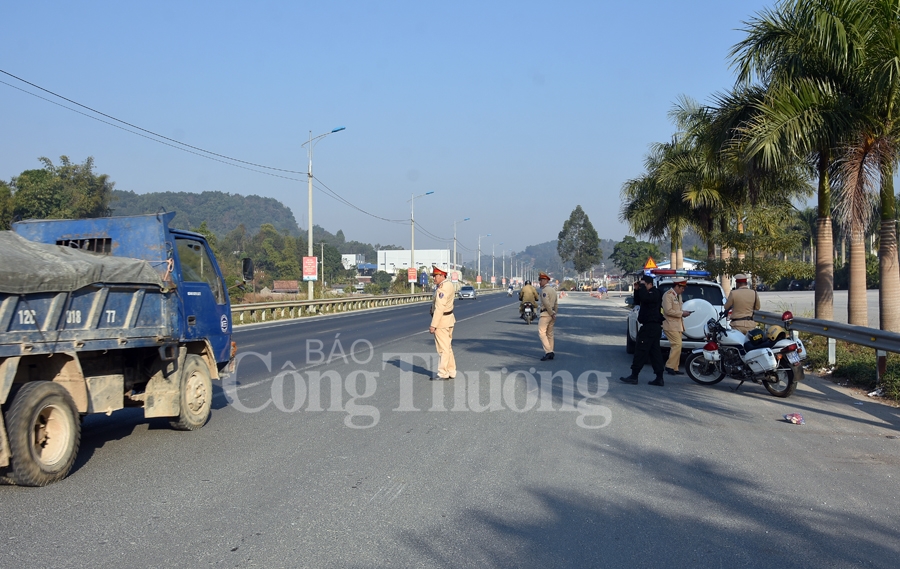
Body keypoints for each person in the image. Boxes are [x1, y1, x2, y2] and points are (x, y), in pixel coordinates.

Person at [620, 275, 665, 386]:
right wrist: (636, 290)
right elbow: (638, 301)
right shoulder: (645, 293)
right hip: (648, 326)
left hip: (651, 327)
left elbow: (646, 298)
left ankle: (634, 375)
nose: (642, 287)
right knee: (655, 353)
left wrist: (643, 287)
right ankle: (659, 378)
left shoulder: (656, 293)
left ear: (649, 284)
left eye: (643, 285)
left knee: (640, 350)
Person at [429, 266, 456, 380]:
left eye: (435, 276)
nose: (434, 278)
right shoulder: (449, 285)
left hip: (442, 322)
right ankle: (451, 371)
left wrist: (433, 325)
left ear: (441, 275)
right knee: (448, 347)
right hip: (449, 319)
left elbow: (439, 308)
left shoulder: (442, 288)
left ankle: (442, 373)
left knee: (442, 349)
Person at [662, 278, 692, 375]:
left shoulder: (678, 296)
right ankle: (669, 366)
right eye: (682, 288)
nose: (683, 290)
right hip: (670, 324)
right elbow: (668, 311)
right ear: (677, 286)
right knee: (677, 345)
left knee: (678, 346)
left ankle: (675, 367)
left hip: (678, 325)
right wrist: (682, 313)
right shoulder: (668, 295)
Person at [537, 272, 558, 360]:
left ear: (546, 280)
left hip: (546, 314)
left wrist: (551, 313)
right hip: (552, 314)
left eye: (541, 280)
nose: (540, 282)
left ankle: (549, 351)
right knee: (550, 334)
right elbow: (556, 303)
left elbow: (546, 303)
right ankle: (551, 351)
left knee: (541, 332)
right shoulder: (553, 290)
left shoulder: (544, 291)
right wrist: (554, 313)